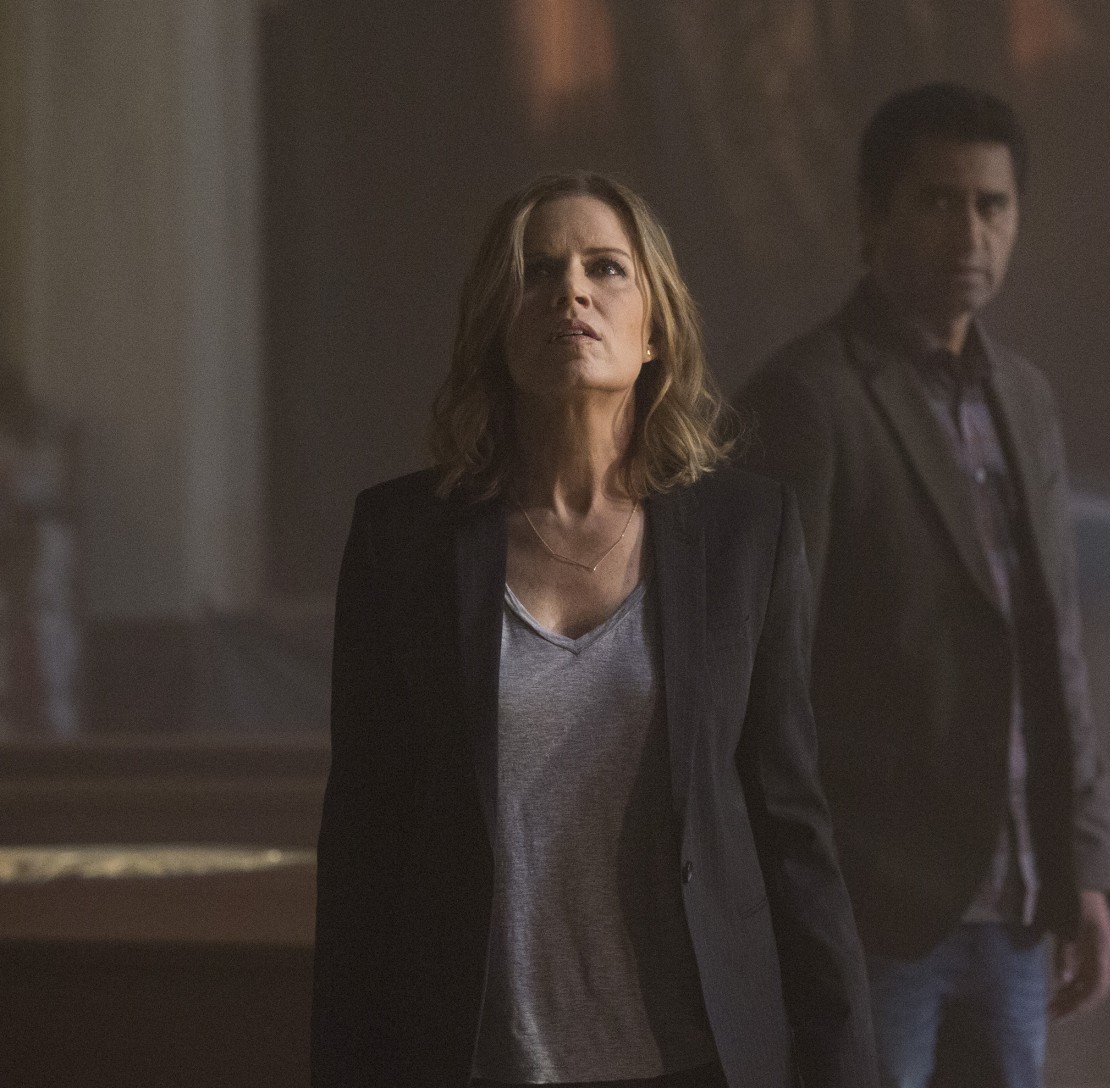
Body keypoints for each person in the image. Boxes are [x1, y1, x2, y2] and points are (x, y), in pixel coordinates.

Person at [312, 172, 875, 1088]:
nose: (570, 291)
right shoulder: (401, 540)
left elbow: (790, 824)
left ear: (654, 330)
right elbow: (363, 845)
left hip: (695, 1058)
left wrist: (845, 1064)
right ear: (496, 326)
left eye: (605, 268)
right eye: (537, 272)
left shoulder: (745, 532)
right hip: (479, 1059)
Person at [735, 84, 1110, 1088]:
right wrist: (803, 897)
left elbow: (1053, 647)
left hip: (1018, 901)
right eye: (938, 201)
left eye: (992, 205)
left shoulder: (1024, 399)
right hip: (876, 910)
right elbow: (760, 677)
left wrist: (1084, 863)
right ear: (872, 215)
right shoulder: (805, 398)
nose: (969, 231)